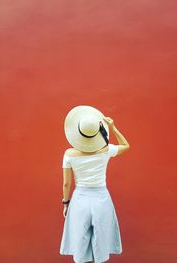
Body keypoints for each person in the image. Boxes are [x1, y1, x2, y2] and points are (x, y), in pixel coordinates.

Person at [59, 105, 130, 263]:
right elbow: (126, 146)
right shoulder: (106, 150)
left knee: (80, 241)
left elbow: (66, 183)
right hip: (101, 198)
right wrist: (112, 128)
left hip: (80, 199)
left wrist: (65, 203)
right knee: (100, 242)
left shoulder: (69, 154)